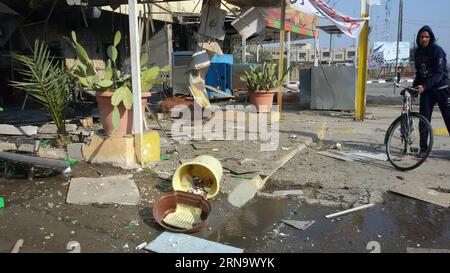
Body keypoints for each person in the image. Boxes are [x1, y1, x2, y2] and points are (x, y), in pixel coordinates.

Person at [413, 25, 450, 156]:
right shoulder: (417, 52)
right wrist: (412, 88)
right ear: (418, 38)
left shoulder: (437, 51)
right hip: (427, 92)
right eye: (422, 37)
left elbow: (439, 74)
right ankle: (423, 149)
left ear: (431, 38)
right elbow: (419, 73)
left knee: (448, 118)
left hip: (442, 89)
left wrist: (424, 86)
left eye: (426, 37)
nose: (424, 39)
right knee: (424, 119)